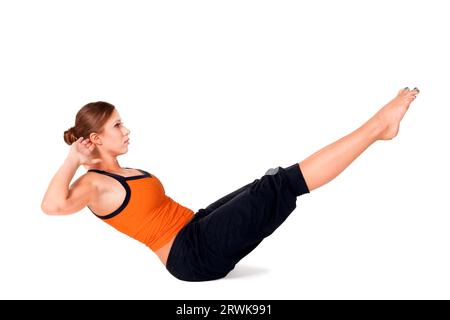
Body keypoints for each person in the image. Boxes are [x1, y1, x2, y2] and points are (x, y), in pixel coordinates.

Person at [41, 87, 420, 281]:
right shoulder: (93, 183)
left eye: (123, 122)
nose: (126, 130)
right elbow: (52, 206)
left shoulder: (117, 170)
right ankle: (377, 128)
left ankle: (377, 129)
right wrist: (74, 158)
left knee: (269, 181)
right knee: (282, 185)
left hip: (195, 229)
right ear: (95, 139)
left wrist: (90, 155)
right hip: (191, 256)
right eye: (117, 126)